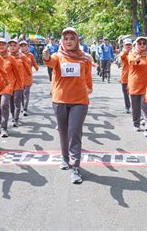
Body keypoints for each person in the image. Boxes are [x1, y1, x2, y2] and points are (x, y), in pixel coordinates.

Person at [43, 27, 93, 184]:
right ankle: (64, 157)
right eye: (66, 39)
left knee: (74, 133)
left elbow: (88, 77)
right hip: (60, 101)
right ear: (62, 41)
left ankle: (76, 166)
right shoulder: (57, 56)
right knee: (63, 132)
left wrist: (89, 87)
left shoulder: (84, 58)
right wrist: (45, 56)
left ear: (77, 41)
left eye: (72, 38)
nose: (69, 41)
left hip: (79, 101)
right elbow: (49, 62)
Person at [0, 38, 23, 138]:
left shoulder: (11, 58)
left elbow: (17, 73)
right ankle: (1, 125)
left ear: (6, 46)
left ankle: (4, 128)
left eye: (3, 44)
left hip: (8, 86)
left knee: (4, 104)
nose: (1, 46)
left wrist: (20, 85)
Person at [128, 37, 147, 132]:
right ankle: (136, 123)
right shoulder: (132, 54)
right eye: (139, 43)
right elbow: (132, 61)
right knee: (135, 107)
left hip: (146, 85)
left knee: (145, 106)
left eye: (144, 43)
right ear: (135, 45)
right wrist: (138, 58)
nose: (142, 45)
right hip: (134, 85)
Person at [9, 38, 31, 127]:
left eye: (14, 45)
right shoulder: (5, 56)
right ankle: (13, 116)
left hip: (19, 83)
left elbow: (28, 69)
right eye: (11, 45)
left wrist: (27, 78)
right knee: (10, 102)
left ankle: (16, 119)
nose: (13, 47)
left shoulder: (22, 56)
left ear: (18, 46)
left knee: (16, 101)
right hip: (9, 84)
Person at [20, 40, 39, 116]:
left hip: (28, 77)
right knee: (21, 94)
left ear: (27, 46)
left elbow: (34, 63)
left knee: (26, 93)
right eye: (21, 46)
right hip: (19, 78)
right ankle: (22, 106)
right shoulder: (17, 55)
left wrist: (36, 68)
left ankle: (25, 109)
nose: (23, 47)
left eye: (25, 45)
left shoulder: (30, 55)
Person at [119, 39, 132, 114]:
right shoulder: (123, 54)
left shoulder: (135, 53)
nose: (128, 46)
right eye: (127, 45)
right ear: (124, 45)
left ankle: (136, 108)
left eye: (129, 45)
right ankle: (127, 107)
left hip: (133, 79)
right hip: (124, 78)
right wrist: (125, 51)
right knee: (126, 94)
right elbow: (121, 55)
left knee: (134, 95)